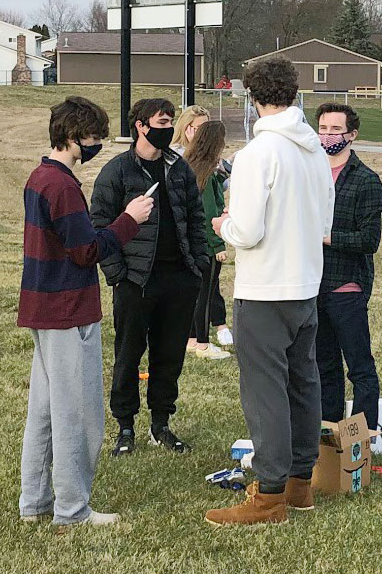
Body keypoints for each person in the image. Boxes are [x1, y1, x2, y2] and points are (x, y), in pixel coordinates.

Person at [204, 57, 335, 526]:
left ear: (252, 99)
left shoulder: (256, 155)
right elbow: (326, 223)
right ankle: (301, 484)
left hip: (263, 290)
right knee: (304, 383)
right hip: (306, 285)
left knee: (265, 393)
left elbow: (248, 229)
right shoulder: (316, 151)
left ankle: (269, 495)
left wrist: (223, 225)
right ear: (295, 95)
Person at [18, 96, 153, 526]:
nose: (97, 145)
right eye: (94, 137)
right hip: (69, 310)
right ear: (74, 137)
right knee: (77, 414)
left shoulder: (39, 177)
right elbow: (86, 251)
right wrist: (129, 220)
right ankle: (72, 509)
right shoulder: (63, 187)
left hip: (43, 308)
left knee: (44, 410)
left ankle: (35, 502)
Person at [91, 98, 209, 457]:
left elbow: (195, 217)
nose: (167, 127)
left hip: (179, 279)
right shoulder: (117, 171)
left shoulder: (179, 168)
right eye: (161, 121)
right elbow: (99, 226)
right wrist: (118, 276)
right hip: (135, 281)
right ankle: (125, 426)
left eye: (170, 120)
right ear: (141, 126)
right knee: (128, 354)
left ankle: (161, 424)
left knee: (169, 356)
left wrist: (199, 264)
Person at [314, 103, 382, 430]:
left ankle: (363, 437)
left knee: (359, 369)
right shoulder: (310, 174)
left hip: (347, 289)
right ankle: (330, 435)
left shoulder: (366, 180)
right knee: (324, 367)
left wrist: (327, 237)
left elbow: (369, 240)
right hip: (312, 286)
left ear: (351, 135)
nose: (328, 135)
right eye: (323, 129)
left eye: (335, 130)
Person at [183, 120, 232, 359]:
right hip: (207, 246)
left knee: (194, 295)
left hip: (190, 243)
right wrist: (218, 245)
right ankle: (201, 343)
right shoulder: (209, 176)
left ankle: (190, 338)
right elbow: (209, 213)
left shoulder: (187, 169)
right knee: (206, 294)